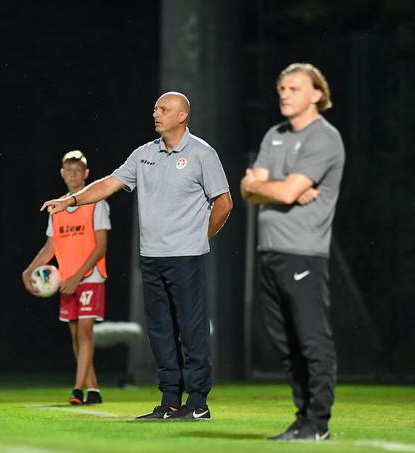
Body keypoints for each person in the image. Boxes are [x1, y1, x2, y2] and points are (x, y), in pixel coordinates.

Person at [41, 92, 232, 420]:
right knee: (160, 330)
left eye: (164, 109)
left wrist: (200, 238)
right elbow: (107, 184)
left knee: (192, 328)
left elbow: (224, 203)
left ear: (182, 116)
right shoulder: (145, 154)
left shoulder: (202, 153)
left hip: (187, 257)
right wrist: (70, 201)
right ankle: (170, 401)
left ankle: (197, 403)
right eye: (156, 108)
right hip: (152, 257)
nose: (156, 113)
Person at [240, 63, 345, 441]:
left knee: (312, 341)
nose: (284, 93)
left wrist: (269, 187)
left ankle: (318, 424)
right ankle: (302, 419)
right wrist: (277, 187)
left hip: (303, 255)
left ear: (317, 94)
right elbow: (247, 189)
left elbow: (270, 189)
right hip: (270, 252)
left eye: (294, 88)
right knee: (285, 345)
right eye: (281, 87)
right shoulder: (275, 134)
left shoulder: (324, 139)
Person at [22, 150, 110, 405]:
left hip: (90, 277)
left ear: (86, 174)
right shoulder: (57, 207)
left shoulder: (96, 203)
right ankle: (93, 390)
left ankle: (77, 390)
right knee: (75, 336)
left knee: (85, 333)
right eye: (68, 170)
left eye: (77, 170)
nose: (73, 174)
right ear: (62, 174)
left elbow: (100, 247)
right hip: (66, 280)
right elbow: (50, 248)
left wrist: (78, 277)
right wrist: (29, 270)